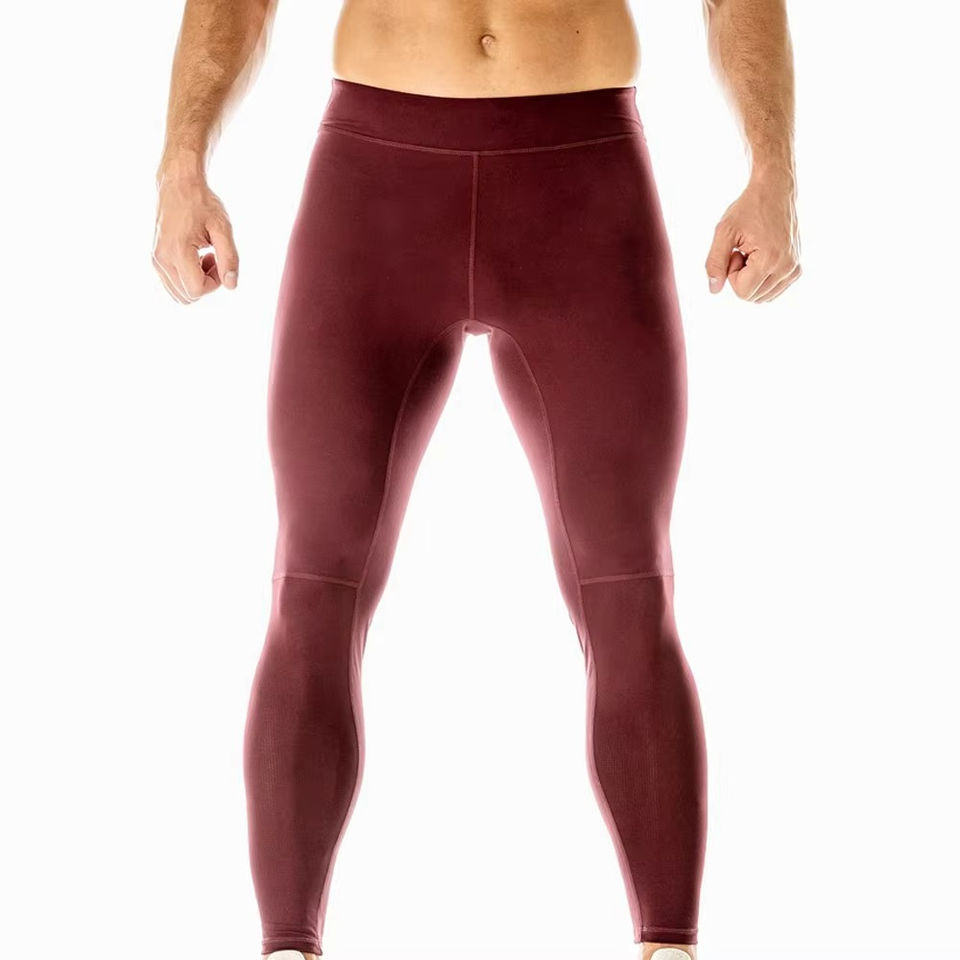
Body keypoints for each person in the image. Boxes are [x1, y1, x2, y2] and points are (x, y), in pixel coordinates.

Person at [152, 2, 800, 959]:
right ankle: (287, 947)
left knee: (628, 583)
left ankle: (671, 947)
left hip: (581, 177)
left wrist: (773, 169)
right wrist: (181, 164)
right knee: (315, 580)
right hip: (377, 177)